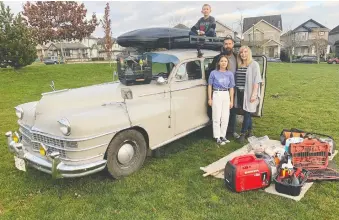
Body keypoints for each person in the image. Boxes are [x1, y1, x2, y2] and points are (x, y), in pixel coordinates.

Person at [210, 35, 239, 139]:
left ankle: (232, 130)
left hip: (233, 87)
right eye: (226, 44)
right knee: (219, 112)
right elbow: (211, 72)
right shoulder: (218, 58)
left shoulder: (237, 57)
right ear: (223, 45)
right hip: (220, 89)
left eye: (229, 44)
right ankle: (219, 133)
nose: (228, 46)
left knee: (232, 109)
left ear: (233, 45)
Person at [234, 46, 262, 144]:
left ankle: (242, 134)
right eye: (241, 52)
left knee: (247, 112)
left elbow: (257, 80)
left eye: (245, 52)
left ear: (249, 53)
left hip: (250, 92)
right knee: (247, 112)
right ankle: (250, 132)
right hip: (240, 92)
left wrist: (254, 94)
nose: (243, 54)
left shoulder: (254, 64)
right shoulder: (239, 64)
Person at [208, 55, 235, 145]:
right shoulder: (213, 73)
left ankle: (223, 135)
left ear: (227, 63)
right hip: (217, 93)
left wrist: (231, 100)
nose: (224, 63)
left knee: (225, 116)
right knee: (216, 116)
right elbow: (210, 86)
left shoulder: (230, 74)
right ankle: (217, 136)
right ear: (219, 62)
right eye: (222, 61)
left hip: (226, 94)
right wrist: (210, 98)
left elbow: (231, 88)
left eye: (225, 61)